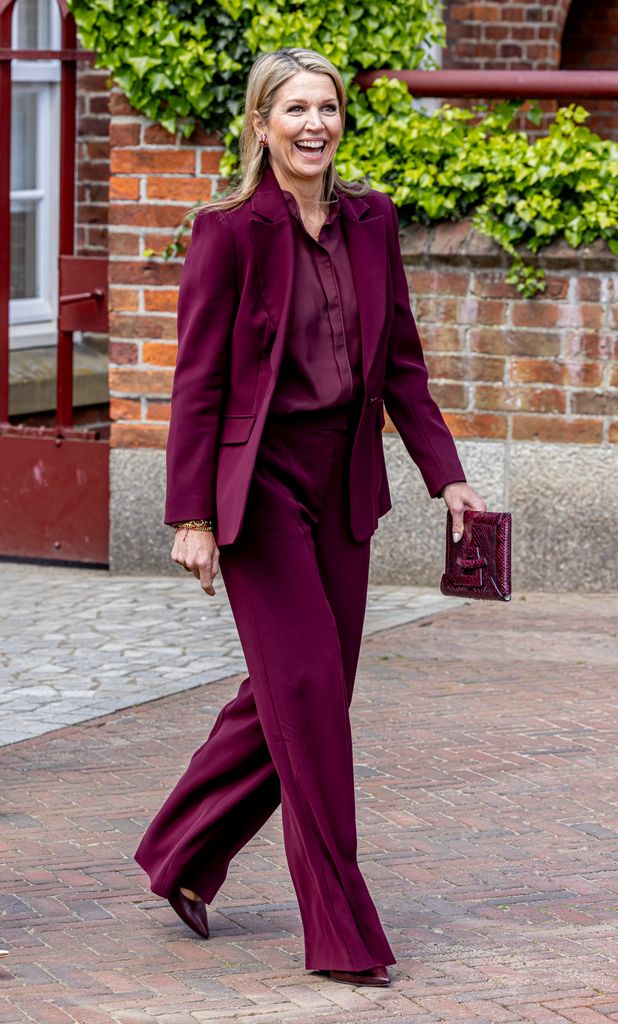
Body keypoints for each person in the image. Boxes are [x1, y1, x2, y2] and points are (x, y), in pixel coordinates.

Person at [134, 46, 487, 988]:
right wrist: (191, 516)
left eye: (327, 108)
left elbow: (401, 364)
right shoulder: (229, 234)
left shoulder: (372, 223)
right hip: (259, 496)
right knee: (309, 706)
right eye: (294, 109)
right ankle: (341, 928)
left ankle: (178, 849)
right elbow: (198, 386)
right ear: (261, 124)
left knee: (303, 696)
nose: (314, 125)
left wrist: (444, 477)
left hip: (345, 488)